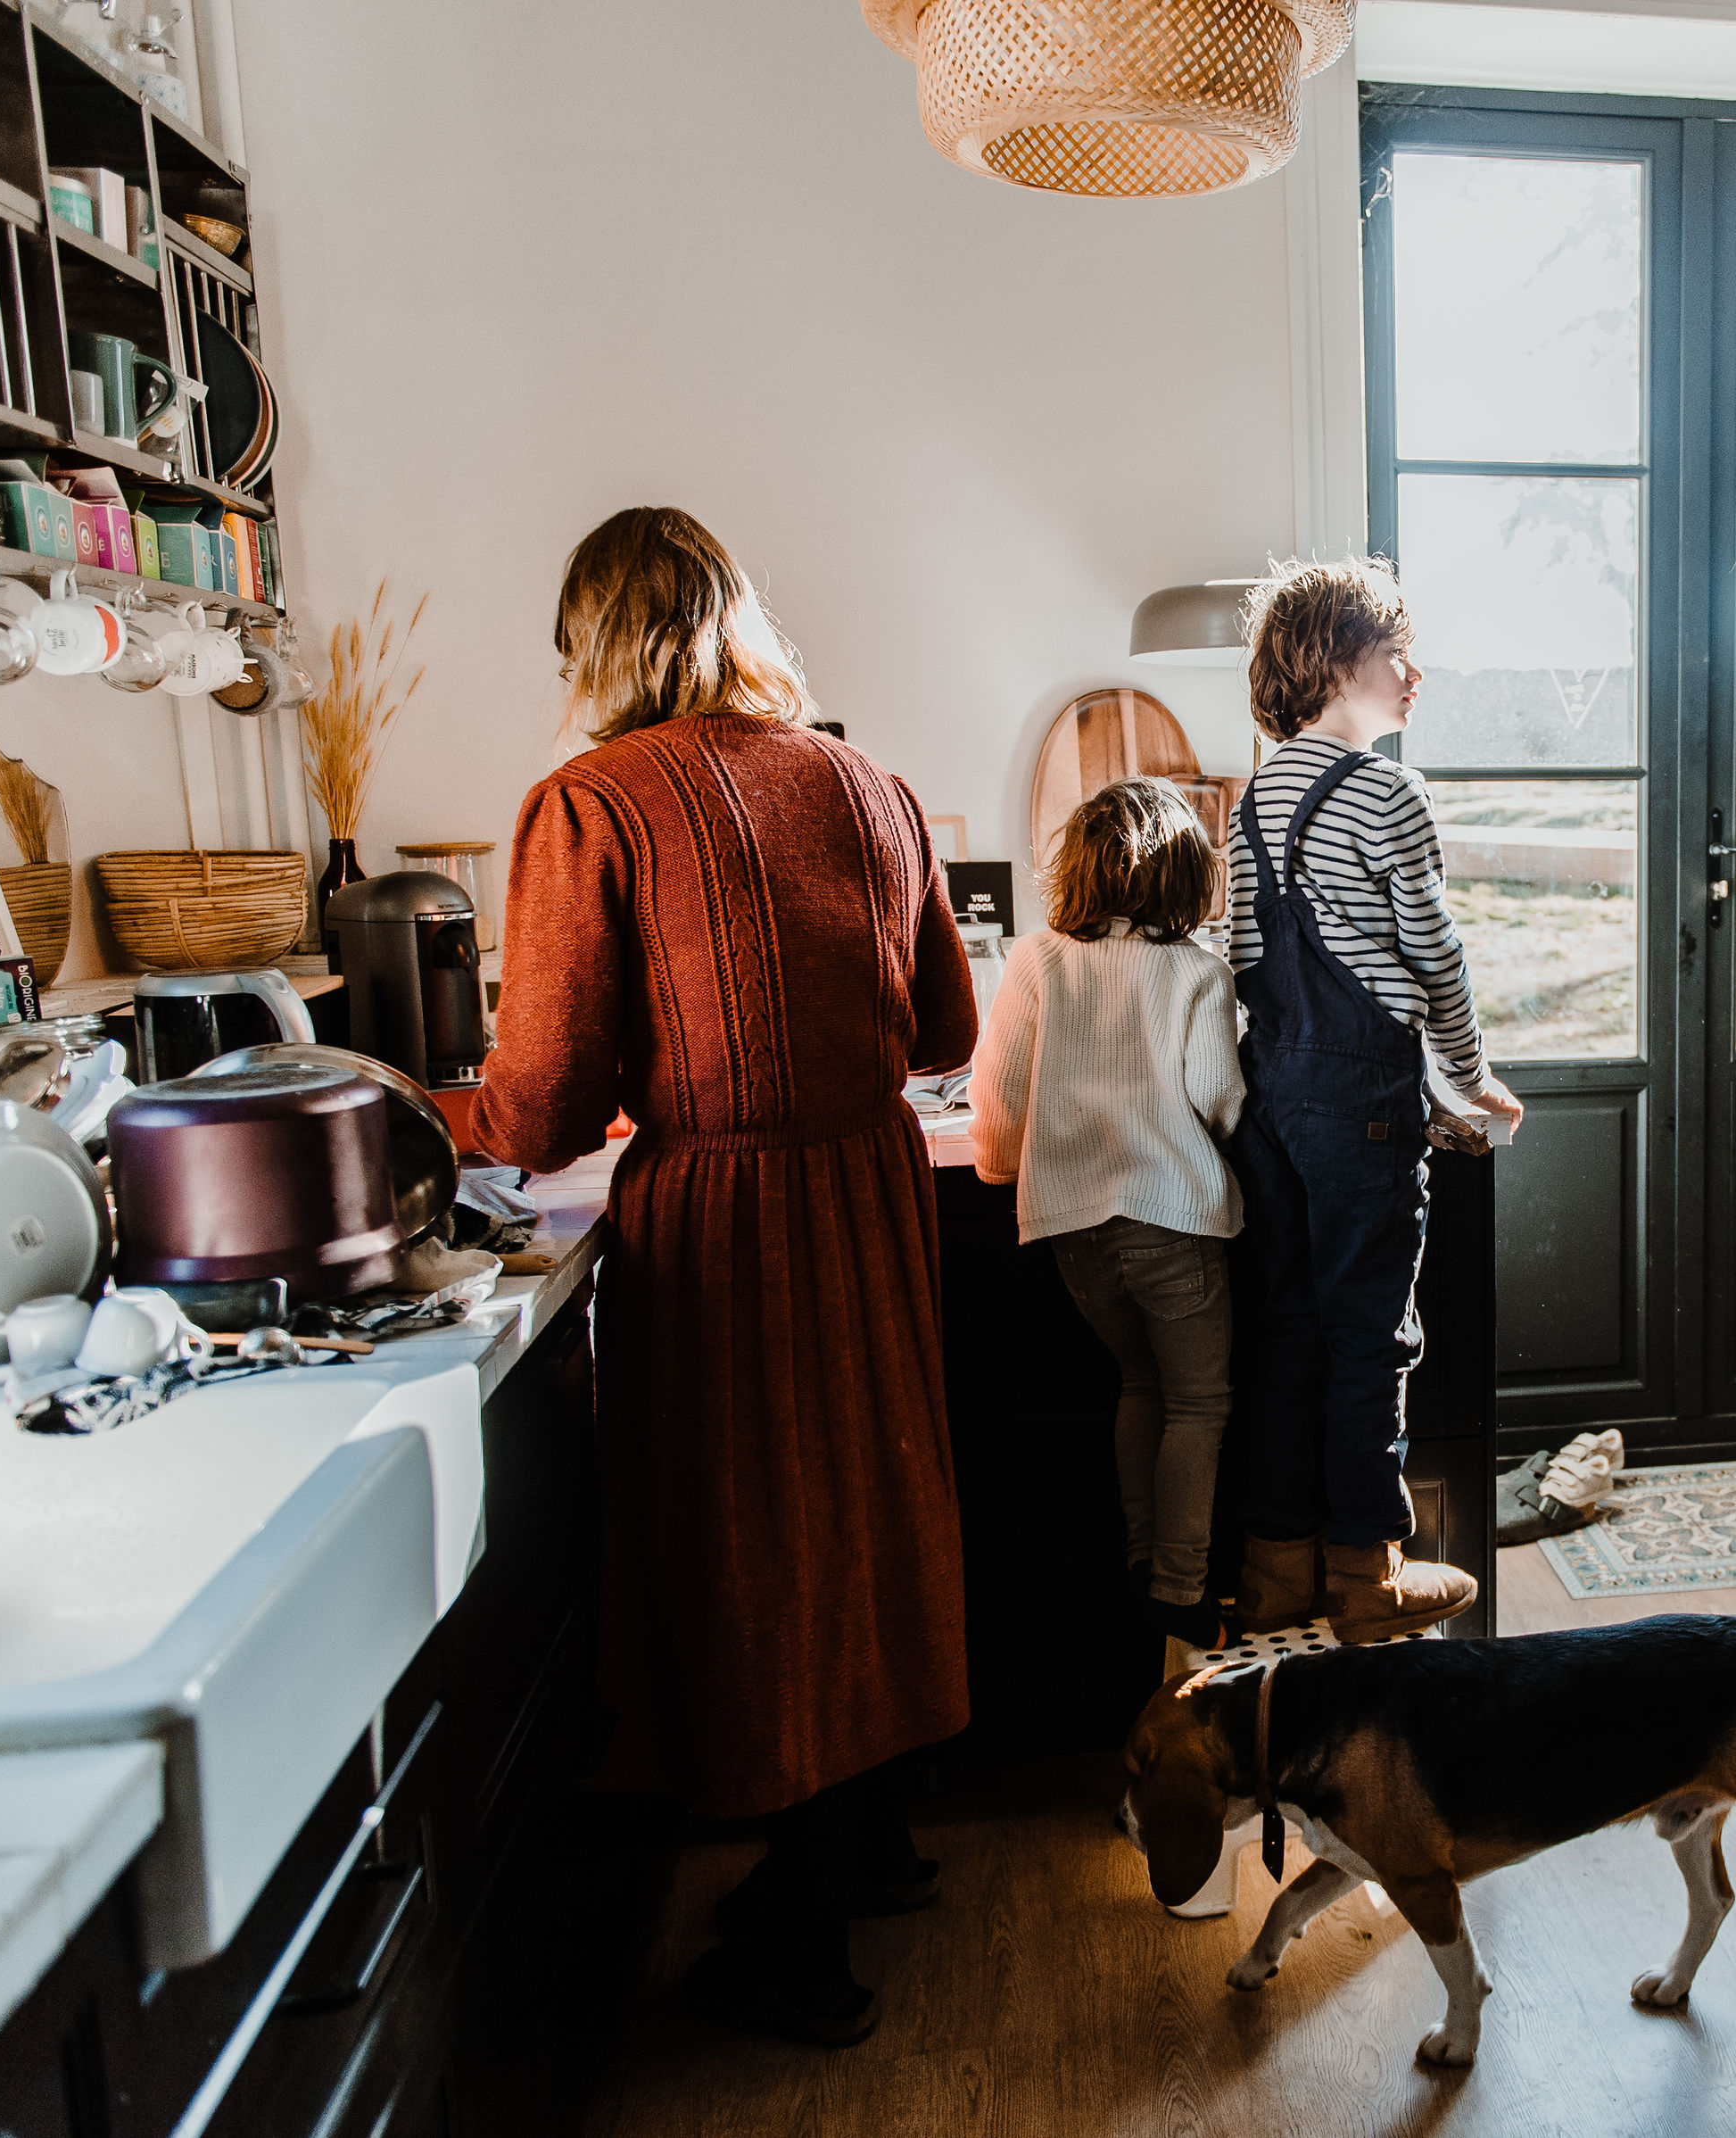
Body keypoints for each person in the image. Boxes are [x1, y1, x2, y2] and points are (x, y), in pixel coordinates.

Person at [472, 506, 973, 2051]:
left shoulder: (591, 805)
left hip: (731, 1216)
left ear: (597, 649)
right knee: (868, 1512)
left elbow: (543, 1102)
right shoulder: (870, 781)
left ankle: (803, 1951)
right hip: (870, 1193)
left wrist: (421, 1120)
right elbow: (948, 1033)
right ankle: (868, 1844)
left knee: (752, 1539)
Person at [1226, 559, 1524, 1643]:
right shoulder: (1387, 791)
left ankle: (1274, 1568)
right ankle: (1367, 1571)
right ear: (1336, 659)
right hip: (1361, 1092)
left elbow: (1245, 959)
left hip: (1276, 1093)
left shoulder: (1253, 796)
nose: (1416, 673)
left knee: (1289, 1328)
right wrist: (1468, 1074)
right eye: (1398, 652)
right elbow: (1434, 958)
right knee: (1372, 1335)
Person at [970, 776, 1245, 1652]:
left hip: (1073, 1227)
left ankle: (1137, 1552)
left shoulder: (1039, 957)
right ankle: (1181, 1587)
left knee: (1139, 1381)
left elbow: (999, 1091)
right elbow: (1218, 1095)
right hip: (1174, 1219)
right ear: (1185, 874)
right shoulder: (1199, 969)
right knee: (1199, 1403)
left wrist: (1001, 1166)